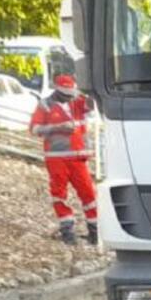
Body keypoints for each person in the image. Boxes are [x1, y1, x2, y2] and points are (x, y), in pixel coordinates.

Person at [29, 74, 98, 246]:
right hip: (56, 158)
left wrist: (90, 88)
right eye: (66, 93)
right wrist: (56, 127)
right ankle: (67, 230)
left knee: (88, 193)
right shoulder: (45, 105)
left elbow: (92, 105)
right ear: (57, 90)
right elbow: (34, 129)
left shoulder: (77, 100)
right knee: (59, 194)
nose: (69, 97)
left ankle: (94, 231)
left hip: (78, 157)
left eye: (71, 93)